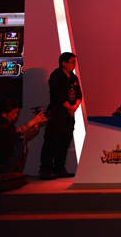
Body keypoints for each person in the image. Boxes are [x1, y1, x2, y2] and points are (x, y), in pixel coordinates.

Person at [39, 52, 82, 180]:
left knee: (65, 141)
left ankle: (60, 168)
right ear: (64, 63)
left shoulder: (73, 77)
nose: (74, 65)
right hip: (57, 114)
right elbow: (57, 95)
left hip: (69, 115)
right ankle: (46, 170)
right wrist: (69, 107)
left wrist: (75, 106)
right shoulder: (56, 75)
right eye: (72, 62)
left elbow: (79, 94)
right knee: (51, 141)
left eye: (74, 62)